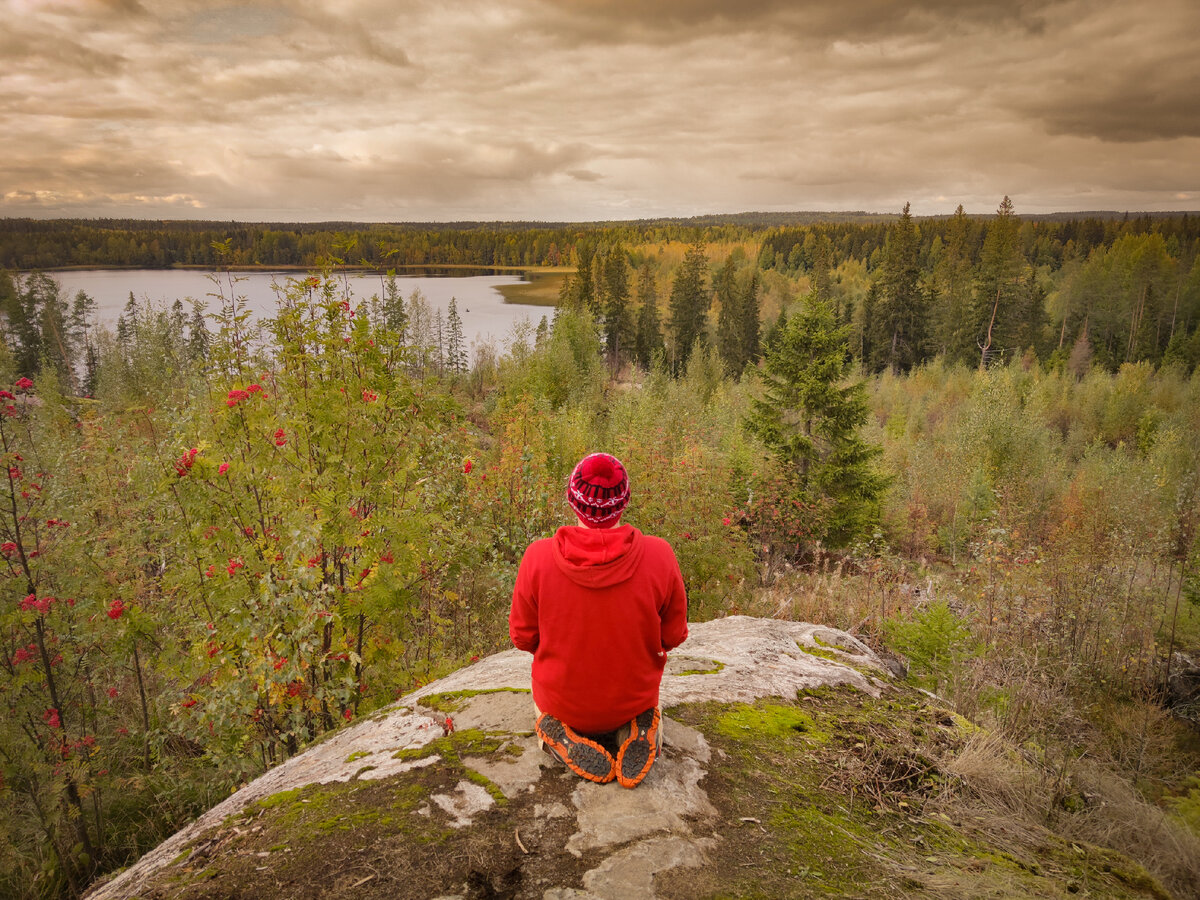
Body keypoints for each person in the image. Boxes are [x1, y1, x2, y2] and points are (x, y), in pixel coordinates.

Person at [509, 452, 689, 787]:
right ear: (624, 502)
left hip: (564, 702)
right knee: (641, 706)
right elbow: (673, 636)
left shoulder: (537, 558)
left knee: (544, 707)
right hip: (631, 698)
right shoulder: (660, 555)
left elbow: (522, 637)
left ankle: (558, 736)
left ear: (572, 500)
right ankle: (639, 728)